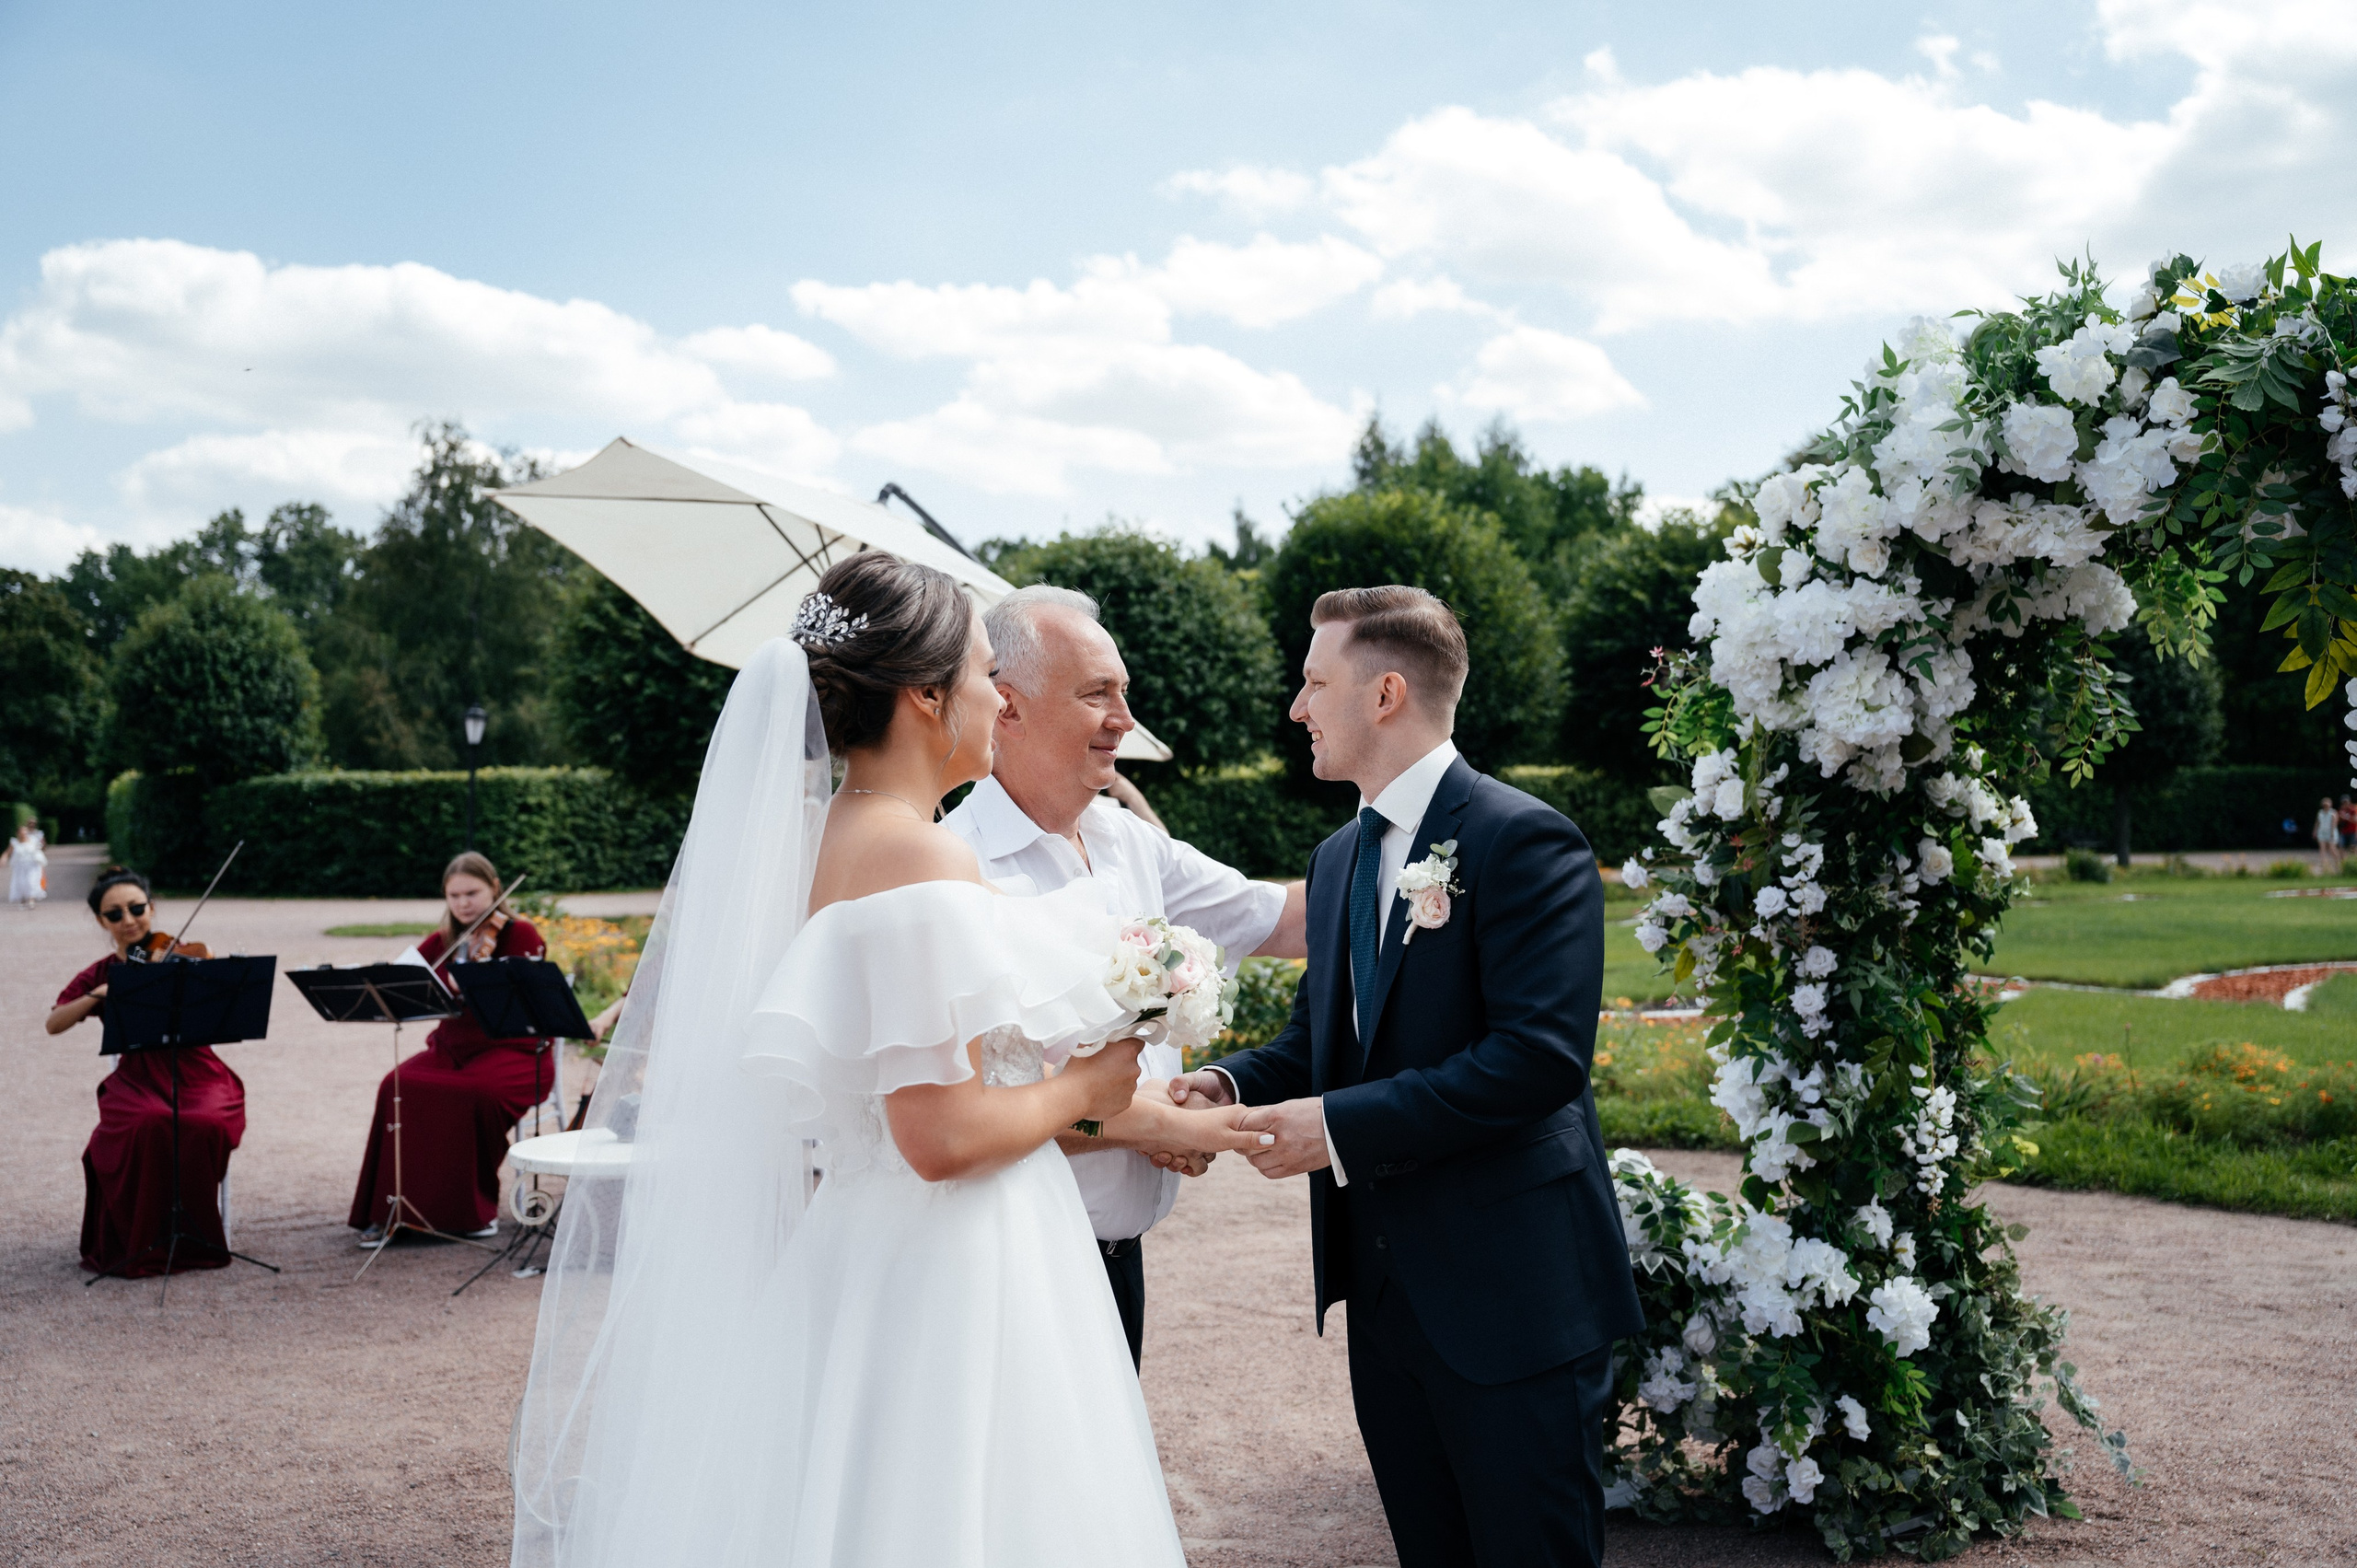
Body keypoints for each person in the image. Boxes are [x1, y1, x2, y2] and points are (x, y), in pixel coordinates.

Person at [508, 552, 1265, 1567]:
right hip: (956, 1256)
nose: (1002, 699)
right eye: (990, 674)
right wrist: (1087, 1086)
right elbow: (939, 1133)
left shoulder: (838, 835)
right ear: (924, 696)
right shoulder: (920, 850)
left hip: (867, 1240)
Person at [1173, 586, 1644, 1568]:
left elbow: (1538, 1058)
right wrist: (1221, 1083)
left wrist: (1335, 1128)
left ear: (1384, 692)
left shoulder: (1526, 839)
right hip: (1386, 1301)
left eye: (1313, 681)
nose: (1296, 707)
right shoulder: (1341, 856)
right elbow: (1320, 1040)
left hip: (1512, 1296)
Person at [941, 583, 1307, 1367]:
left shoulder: (1128, 842)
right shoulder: (955, 868)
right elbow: (972, 1112)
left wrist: (1435, 856)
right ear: (1007, 706)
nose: (1125, 720)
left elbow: (1288, 919)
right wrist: (1172, 1125)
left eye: (1124, 693)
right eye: (1097, 694)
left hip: (1118, 1260)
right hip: (1012, 1259)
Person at [44, 867, 248, 1277]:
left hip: (198, 1071)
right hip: (137, 1076)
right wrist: (101, 993)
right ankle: (144, 1237)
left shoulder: (180, 955)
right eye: (115, 914)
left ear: (152, 908)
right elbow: (55, 1023)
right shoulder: (102, 973)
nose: (129, 920)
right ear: (102, 922)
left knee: (203, 1122)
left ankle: (195, 1236)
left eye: (137, 908)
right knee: (147, 1122)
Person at [346, 852, 552, 1246]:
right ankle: (397, 1208)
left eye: (472, 893)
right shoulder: (444, 939)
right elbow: (404, 976)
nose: (463, 904)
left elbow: (533, 999)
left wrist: (476, 984)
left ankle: (469, 1213)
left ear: (494, 887)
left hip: (517, 1051)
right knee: (396, 1083)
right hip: (452, 1049)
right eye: (454, 896)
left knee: (474, 1094)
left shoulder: (519, 933)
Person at [6, 816, 48, 907]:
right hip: (20, 865)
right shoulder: (16, 841)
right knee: (21, 882)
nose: (32, 825)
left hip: (32, 864)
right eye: (30, 823)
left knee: (32, 881)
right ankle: (22, 899)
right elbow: (9, 851)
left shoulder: (37, 835)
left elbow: (42, 847)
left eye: (33, 823)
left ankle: (31, 899)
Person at [2316, 796, 2342, 874]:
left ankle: (2338, 863)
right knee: (2322, 849)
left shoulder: (2333, 813)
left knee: (2332, 849)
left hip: (2331, 832)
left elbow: (2334, 823)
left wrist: (2331, 833)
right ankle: (2324, 865)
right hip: (2322, 832)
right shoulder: (2320, 813)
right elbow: (2317, 822)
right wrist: (2315, 831)